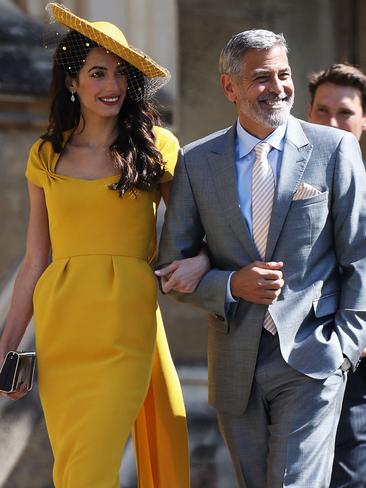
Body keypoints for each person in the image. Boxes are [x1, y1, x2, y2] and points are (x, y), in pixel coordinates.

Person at [0, 3, 209, 487]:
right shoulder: (45, 154)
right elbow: (35, 260)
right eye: (97, 73)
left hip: (126, 323)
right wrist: (9, 344)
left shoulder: (158, 146)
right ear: (72, 82)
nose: (112, 85)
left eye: (120, 74)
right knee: (72, 464)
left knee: (92, 466)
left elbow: (190, 234)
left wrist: (199, 262)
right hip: (62, 327)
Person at [156, 29, 366, 487]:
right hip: (236, 363)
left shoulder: (335, 150)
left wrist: (346, 344)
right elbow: (170, 269)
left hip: (314, 354)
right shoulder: (195, 162)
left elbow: (359, 255)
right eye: (261, 77)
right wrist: (231, 285)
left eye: (284, 74)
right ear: (229, 87)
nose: (278, 87)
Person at [308, 63, 366, 488]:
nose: (332, 122)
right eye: (321, 110)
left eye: (344, 112)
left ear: (364, 119)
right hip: (313, 349)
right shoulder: (285, 182)